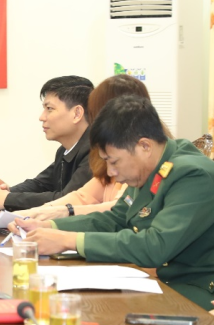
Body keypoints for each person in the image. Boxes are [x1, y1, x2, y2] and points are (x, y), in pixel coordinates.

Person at [13, 95, 214, 309]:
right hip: (180, 281)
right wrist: (48, 227)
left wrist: (68, 240)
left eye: (114, 161)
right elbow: (115, 219)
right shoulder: (154, 167)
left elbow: (155, 246)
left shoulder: (191, 175)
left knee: (100, 312)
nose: (111, 173)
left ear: (144, 146)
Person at [15, 75, 169, 222]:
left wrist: (64, 213)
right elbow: (81, 196)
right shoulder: (104, 154)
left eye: (95, 114)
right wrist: (23, 215)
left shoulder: (148, 163)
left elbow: (118, 211)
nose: (92, 123)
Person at [0, 76, 94, 211]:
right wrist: (3, 193)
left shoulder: (95, 151)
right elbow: (40, 184)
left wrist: (7, 199)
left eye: (49, 109)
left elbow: (68, 200)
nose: (42, 117)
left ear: (77, 114)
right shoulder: (64, 150)